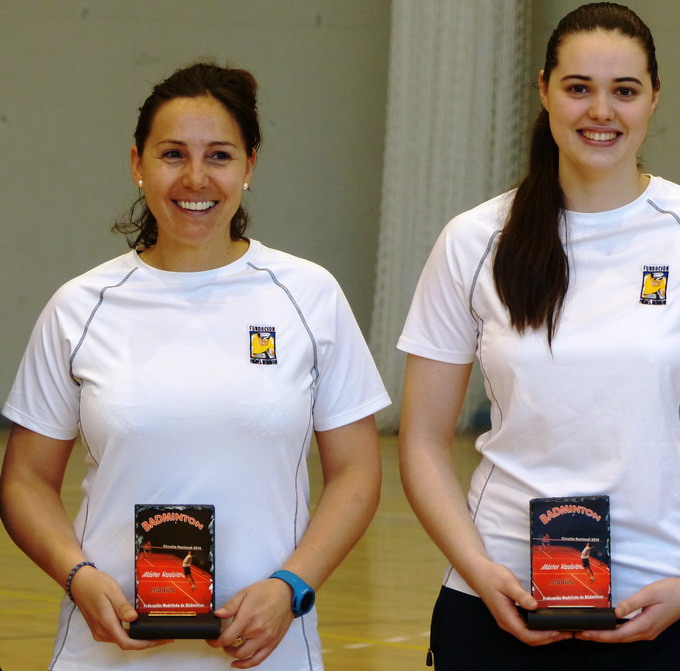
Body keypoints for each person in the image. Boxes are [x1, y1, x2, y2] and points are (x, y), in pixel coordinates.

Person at [396, 3, 680, 670]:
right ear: (545, 89)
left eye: (624, 91)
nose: (600, 111)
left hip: (674, 605)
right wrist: (478, 568)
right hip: (500, 605)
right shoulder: (472, 241)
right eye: (578, 88)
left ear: (654, 98)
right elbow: (423, 439)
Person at [0, 62, 390, 670]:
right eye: (173, 154)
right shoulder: (79, 307)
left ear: (250, 167)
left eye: (220, 156)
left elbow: (358, 473)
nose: (196, 178)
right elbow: (24, 481)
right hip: (107, 649)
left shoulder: (307, 295)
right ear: (137, 163)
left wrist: (292, 587)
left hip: (267, 650)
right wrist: (76, 576)